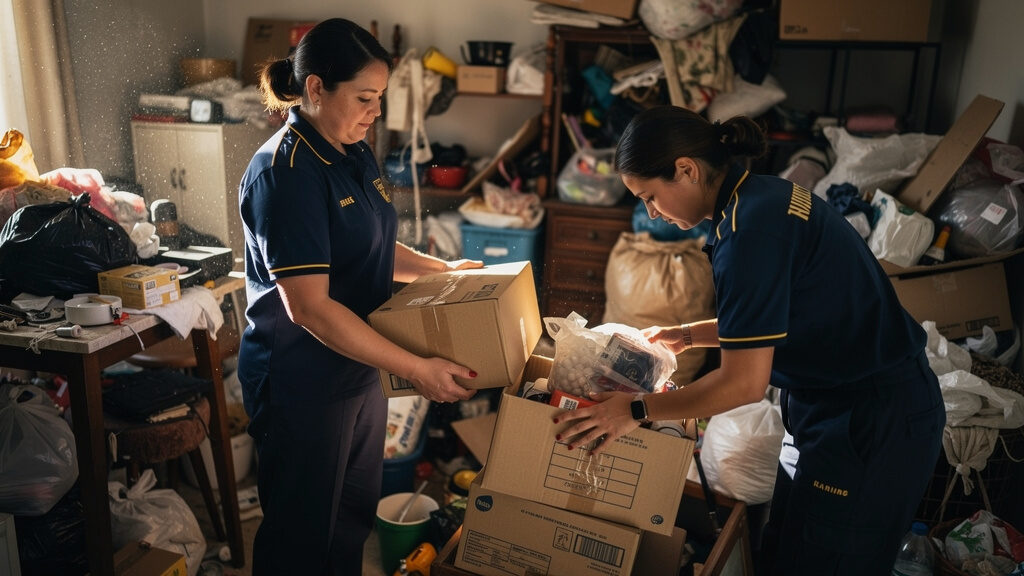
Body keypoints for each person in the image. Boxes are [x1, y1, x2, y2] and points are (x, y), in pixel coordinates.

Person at [553, 105, 945, 575]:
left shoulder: (748, 233)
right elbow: (778, 313)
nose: (651, 212)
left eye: (650, 196)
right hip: (831, 405)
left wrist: (635, 411)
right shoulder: (761, 196)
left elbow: (743, 385)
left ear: (686, 170)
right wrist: (690, 335)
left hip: (870, 417)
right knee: (786, 549)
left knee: (824, 563)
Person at [236, 18, 481, 575]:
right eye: (364, 98)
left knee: (349, 522)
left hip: (359, 369)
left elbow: (373, 245)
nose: (375, 112)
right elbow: (310, 308)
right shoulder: (285, 174)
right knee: (301, 538)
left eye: (380, 98)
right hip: (302, 381)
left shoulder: (352, 150)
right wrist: (415, 368)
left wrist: (444, 271)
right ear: (316, 88)